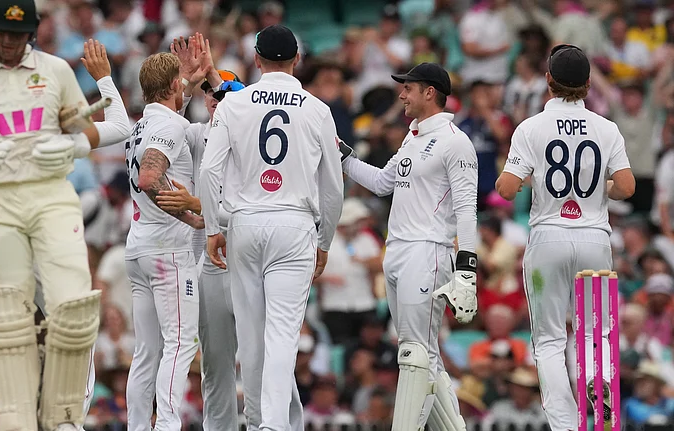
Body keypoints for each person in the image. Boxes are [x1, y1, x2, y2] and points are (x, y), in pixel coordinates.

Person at [0, 0, 117, 428]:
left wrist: (73, 142)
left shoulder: (55, 71)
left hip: (46, 226)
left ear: (32, 32)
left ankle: (65, 421)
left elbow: (87, 129)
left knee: (70, 321)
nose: (10, 42)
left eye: (18, 35)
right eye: (2, 34)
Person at [198, 24, 344, 430]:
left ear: (257, 60)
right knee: (282, 335)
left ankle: (259, 419)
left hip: (245, 221)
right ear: (297, 60)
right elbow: (333, 187)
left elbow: (210, 171)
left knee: (251, 336)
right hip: (295, 224)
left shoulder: (234, 104)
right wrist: (325, 240)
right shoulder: (318, 109)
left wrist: (213, 227)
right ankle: (273, 425)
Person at [495, 44, 636, 430]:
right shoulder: (606, 129)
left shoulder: (531, 128)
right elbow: (626, 186)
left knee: (550, 341)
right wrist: (595, 191)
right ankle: (602, 420)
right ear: (588, 85)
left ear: (548, 81)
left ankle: (564, 425)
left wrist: (528, 179)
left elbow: (505, 190)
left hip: (549, 240)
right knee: (596, 338)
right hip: (594, 239)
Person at [338, 62, 479, 430]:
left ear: (429, 92)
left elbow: (467, 209)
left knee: (414, 353)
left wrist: (467, 270)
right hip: (398, 249)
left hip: (428, 249)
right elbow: (384, 182)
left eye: (408, 88)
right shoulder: (412, 137)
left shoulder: (454, 141)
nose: (401, 95)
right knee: (423, 355)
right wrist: (345, 157)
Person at [123, 52, 204, 431]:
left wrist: (183, 80)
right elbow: (149, 175)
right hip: (167, 251)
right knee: (180, 342)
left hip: (139, 247)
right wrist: (190, 216)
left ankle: (138, 426)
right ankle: (168, 426)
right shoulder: (168, 126)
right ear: (174, 85)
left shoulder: (143, 123)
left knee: (146, 351)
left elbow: (162, 135)